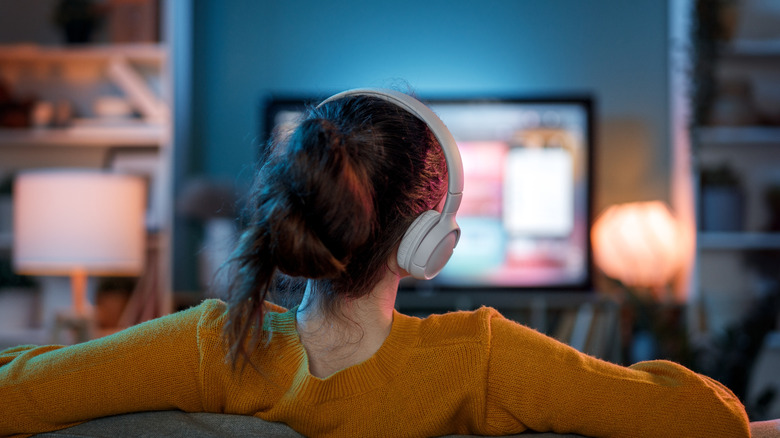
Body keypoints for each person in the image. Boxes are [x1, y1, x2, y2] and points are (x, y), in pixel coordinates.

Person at [1, 89, 749, 437]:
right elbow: (707, 420)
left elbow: (18, 394)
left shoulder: (210, 347)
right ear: (430, 242)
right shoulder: (479, 360)